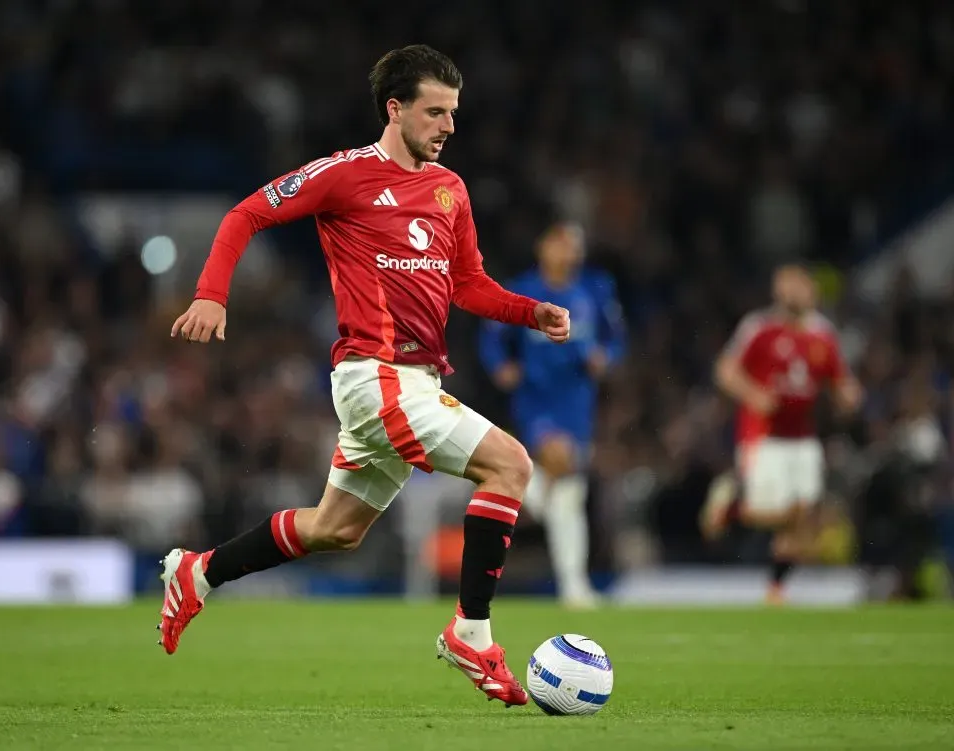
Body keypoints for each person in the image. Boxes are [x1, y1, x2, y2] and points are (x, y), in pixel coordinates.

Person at [157, 45, 572, 709]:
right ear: (395, 108)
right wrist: (212, 293)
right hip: (374, 375)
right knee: (512, 466)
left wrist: (531, 311)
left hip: (414, 379)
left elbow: (467, 284)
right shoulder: (345, 175)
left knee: (335, 528)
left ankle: (198, 571)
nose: (448, 126)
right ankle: (471, 631)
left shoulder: (450, 190)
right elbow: (246, 214)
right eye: (435, 111)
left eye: (454, 113)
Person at [479, 222, 625, 608]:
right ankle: (575, 586)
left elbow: (615, 337)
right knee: (560, 463)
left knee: (568, 496)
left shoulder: (596, 288)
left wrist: (604, 358)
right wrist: (500, 365)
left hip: (578, 397)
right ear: (542, 247)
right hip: (536, 395)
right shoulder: (523, 288)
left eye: (574, 245)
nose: (568, 252)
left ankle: (573, 584)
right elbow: (493, 333)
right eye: (560, 243)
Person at [701, 265, 862, 604]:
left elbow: (839, 378)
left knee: (803, 516)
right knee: (776, 511)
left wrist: (848, 394)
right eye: (784, 285)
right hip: (764, 435)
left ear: (811, 289)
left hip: (803, 435)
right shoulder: (759, 328)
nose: (791, 292)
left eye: (798, 285)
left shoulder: (822, 333)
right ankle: (732, 505)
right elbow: (725, 370)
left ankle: (776, 589)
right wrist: (754, 394)